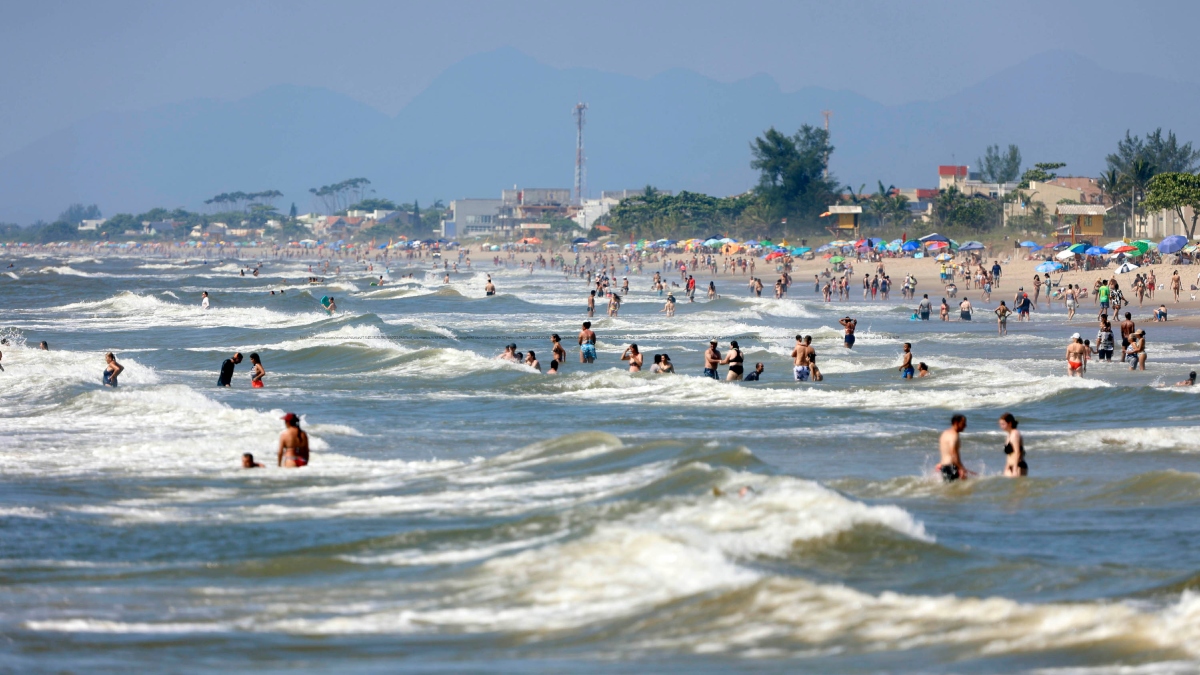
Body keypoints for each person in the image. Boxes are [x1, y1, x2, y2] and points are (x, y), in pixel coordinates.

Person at [936, 414, 970, 482]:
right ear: (956, 423)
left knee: (949, 490)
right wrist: (961, 468)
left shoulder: (945, 433)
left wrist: (941, 463)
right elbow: (953, 454)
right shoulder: (954, 436)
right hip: (952, 467)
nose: (965, 426)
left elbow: (945, 450)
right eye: (963, 423)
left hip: (944, 467)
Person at [999, 412, 1027, 477]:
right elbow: (1010, 455)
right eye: (1000, 424)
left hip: (1018, 466)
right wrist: (1006, 468)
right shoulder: (1009, 435)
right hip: (1010, 467)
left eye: (1003, 424)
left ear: (1010, 423)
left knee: (1019, 487)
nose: (1001, 426)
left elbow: (1018, 452)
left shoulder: (1015, 434)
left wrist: (1014, 469)